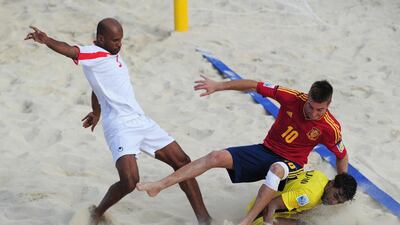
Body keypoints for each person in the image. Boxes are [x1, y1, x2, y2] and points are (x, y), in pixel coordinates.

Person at [24, 18, 211, 225]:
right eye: (115, 40)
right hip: (120, 127)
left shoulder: (111, 53)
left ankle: (205, 220)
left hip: (141, 120)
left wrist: (96, 111)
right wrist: (47, 40)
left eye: (121, 39)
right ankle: (97, 213)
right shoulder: (92, 52)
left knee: (183, 162)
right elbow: (70, 50)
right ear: (101, 38)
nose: (119, 44)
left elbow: (100, 85)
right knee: (130, 181)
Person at [137, 76, 349, 223]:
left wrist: (342, 183)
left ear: (328, 104)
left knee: (276, 169)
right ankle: (160, 184)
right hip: (265, 150)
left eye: (319, 109)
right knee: (215, 156)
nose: (313, 113)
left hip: (291, 164)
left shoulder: (330, 127)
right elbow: (254, 85)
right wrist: (219, 86)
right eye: (311, 106)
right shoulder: (292, 97)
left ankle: (246, 222)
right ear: (308, 96)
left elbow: (342, 155)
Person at [243, 171, 357, 225]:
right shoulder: (309, 196)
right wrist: (267, 224)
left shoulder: (320, 176)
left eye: (338, 202)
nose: (333, 202)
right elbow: (271, 204)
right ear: (332, 183)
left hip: (264, 202)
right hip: (261, 215)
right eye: (335, 196)